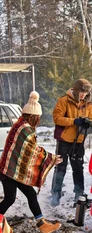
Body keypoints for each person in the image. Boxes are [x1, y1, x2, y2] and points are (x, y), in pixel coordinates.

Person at [0, 91, 62, 233]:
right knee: (10, 199)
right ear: (34, 116)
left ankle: (42, 225)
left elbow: (29, 152)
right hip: (9, 172)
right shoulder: (25, 130)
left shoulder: (20, 125)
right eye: (38, 118)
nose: (39, 120)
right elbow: (34, 152)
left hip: (12, 170)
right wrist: (51, 158)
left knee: (30, 194)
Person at [51, 79, 92, 207]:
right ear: (75, 89)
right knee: (61, 167)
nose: (83, 95)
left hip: (79, 141)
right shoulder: (64, 101)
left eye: (86, 92)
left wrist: (88, 123)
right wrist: (74, 121)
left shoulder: (88, 104)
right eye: (81, 92)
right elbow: (57, 118)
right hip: (64, 140)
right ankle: (55, 194)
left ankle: (79, 194)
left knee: (78, 168)